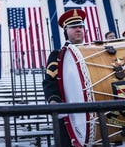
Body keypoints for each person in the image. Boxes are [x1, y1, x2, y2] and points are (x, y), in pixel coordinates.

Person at [43, 8, 86, 146]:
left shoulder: (93, 53)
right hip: (69, 115)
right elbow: (50, 82)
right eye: (74, 27)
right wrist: (54, 102)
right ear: (66, 31)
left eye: (81, 26)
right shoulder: (58, 56)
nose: (78, 29)